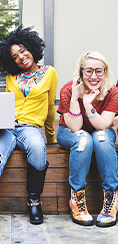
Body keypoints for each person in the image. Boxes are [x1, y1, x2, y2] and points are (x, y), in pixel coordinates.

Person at [0, 25, 58, 241]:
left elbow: (51, 108)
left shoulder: (49, 73)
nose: (21, 57)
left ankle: (34, 201)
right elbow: (5, 104)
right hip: (7, 126)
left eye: (23, 50)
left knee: (37, 147)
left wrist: (51, 136)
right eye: (15, 56)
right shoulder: (12, 77)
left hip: (31, 128)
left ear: (32, 48)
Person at [56, 51, 118, 227]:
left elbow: (103, 125)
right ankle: (77, 199)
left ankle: (111, 199)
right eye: (88, 71)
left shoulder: (112, 91)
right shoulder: (69, 89)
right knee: (83, 139)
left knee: (100, 138)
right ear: (81, 72)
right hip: (69, 131)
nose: (93, 76)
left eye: (99, 71)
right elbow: (75, 127)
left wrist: (89, 106)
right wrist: (76, 98)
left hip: (100, 129)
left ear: (105, 72)